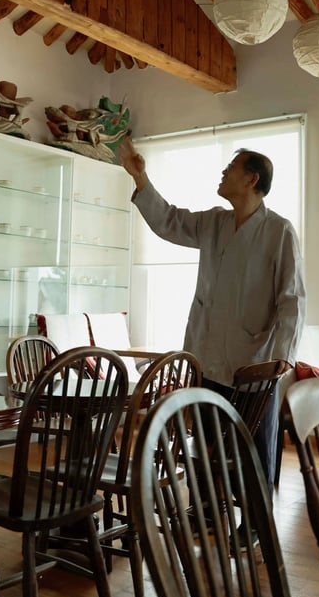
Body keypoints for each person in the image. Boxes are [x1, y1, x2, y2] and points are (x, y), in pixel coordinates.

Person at [119, 136, 306, 490]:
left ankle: (255, 523)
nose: (222, 175)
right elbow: (169, 221)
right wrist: (140, 178)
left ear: (252, 179)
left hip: (254, 362)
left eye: (230, 169)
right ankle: (208, 515)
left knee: (251, 453)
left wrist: (282, 357)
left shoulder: (279, 231)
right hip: (207, 356)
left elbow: (292, 299)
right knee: (206, 449)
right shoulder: (214, 222)